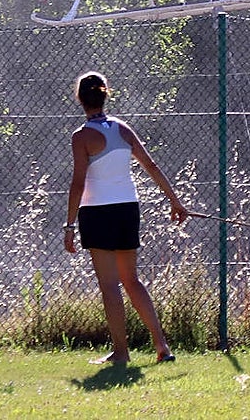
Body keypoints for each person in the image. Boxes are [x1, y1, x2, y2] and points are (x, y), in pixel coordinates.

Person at [64, 71, 189, 365]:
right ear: (105, 95)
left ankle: (121, 352)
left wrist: (69, 225)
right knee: (131, 280)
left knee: (110, 284)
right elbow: (151, 165)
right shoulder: (122, 129)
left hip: (98, 211)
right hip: (127, 209)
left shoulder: (81, 136)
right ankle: (162, 346)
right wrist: (175, 201)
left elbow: (78, 183)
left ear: (80, 99)